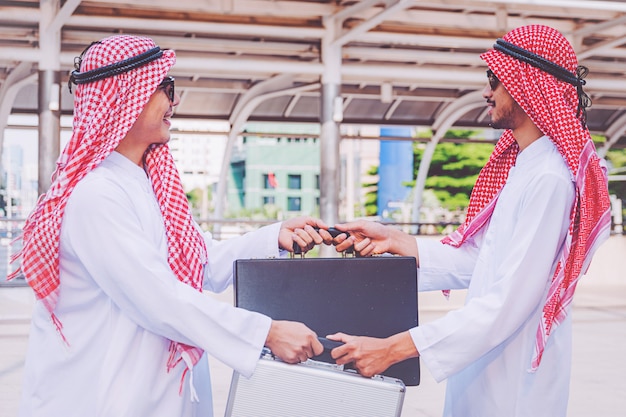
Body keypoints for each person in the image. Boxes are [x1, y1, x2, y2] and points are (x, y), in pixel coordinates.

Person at [9, 35, 330, 417]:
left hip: (150, 396)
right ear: (127, 95)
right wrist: (265, 333)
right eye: (166, 87)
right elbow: (157, 296)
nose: (174, 102)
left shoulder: (144, 181)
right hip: (99, 399)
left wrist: (272, 236)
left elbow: (195, 260)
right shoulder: (95, 195)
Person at [327, 25, 612, 417]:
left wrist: (393, 349)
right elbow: (483, 264)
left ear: (528, 85)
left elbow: (508, 303)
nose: (486, 91)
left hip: (514, 391)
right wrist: (395, 241)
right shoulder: (525, 167)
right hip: (484, 376)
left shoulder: (549, 178)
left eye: (495, 79)